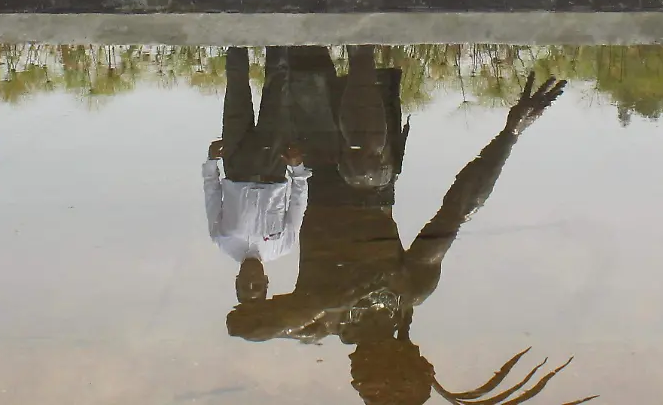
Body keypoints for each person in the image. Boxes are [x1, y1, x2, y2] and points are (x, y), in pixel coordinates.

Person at [223, 47, 584, 405]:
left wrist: (325, 302)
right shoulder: (411, 289)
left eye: (365, 394)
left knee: (300, 42)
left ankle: (344, 32)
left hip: (314, 171)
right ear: (401, 367)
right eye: (373, 390)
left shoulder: (317, 324)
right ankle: (359, 45)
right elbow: (456, 211)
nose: (359, 385)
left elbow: (242, 325)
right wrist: (510, 134)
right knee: (366, 170)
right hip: (370, 178)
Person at [203, 48, 310, 304]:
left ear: (236, 281)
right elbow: (298, 204)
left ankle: (236, 29)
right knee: (278, 86)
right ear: (266, 281)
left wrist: (211, 161)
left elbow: (212, 194)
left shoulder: (222, 240)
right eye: (257, 285)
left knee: (237, 87)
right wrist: (297, 168)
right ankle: (277, 29)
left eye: (244, 284)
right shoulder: (282, 246)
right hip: (274, 164)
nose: (251, 279)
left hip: (236, 162)